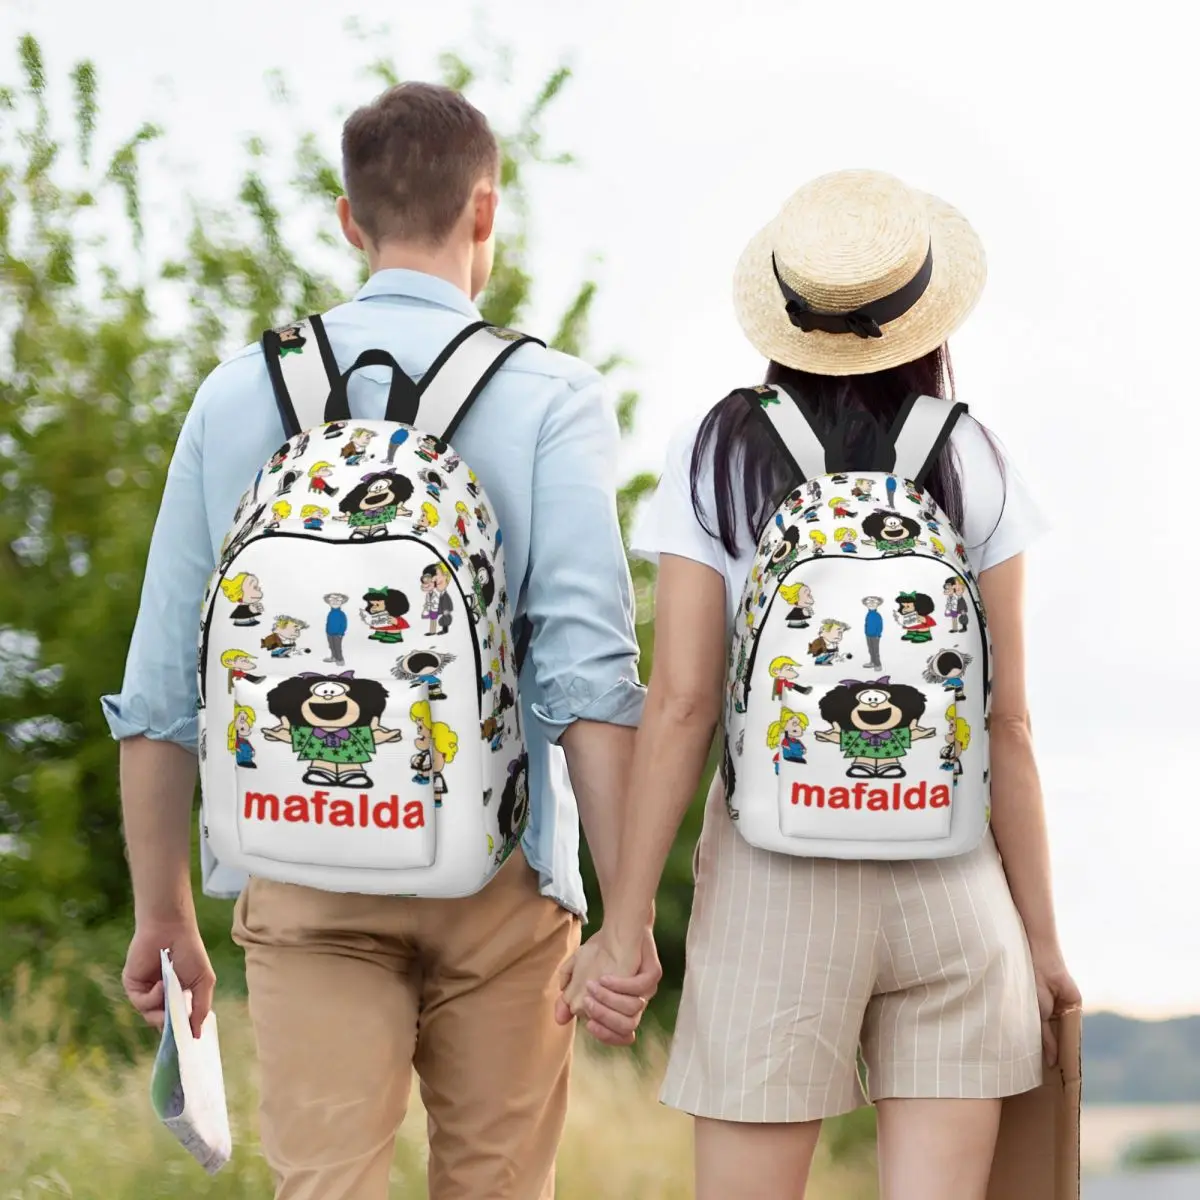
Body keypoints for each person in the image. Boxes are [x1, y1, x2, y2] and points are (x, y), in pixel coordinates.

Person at [103, 81, 659, 1200]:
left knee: (326, 1186)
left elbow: (164, 684)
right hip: (501, 876)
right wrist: (627, 916)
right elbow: (589, 678)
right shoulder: (550, 396)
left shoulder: (235, 395)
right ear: (485, 213)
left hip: (300, 865)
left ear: (349, 220)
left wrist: (162, 913)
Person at [558, 169, 1080, 1200]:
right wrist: (1044, 943)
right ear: (924, 314)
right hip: (953, 881)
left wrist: (623, 927)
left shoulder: (717, 450)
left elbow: (683, 704)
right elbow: (1008, 722)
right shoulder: (973, 456)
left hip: (773, 884)